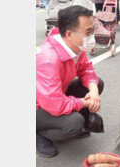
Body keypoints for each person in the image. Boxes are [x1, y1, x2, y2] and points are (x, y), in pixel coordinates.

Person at [36, 5, 104, 158]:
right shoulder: (49, 59)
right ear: (69, 34)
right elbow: (54, 104)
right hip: (38, 106)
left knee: (97, 83)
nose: (92, 36)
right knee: (74, 123)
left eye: (92, 30)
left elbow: (86, 70)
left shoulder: (75, 46)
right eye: (88, 32)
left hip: (54, 96)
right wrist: (85, 103)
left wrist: (93, 90)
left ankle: (61, 122)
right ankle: (39, 132)